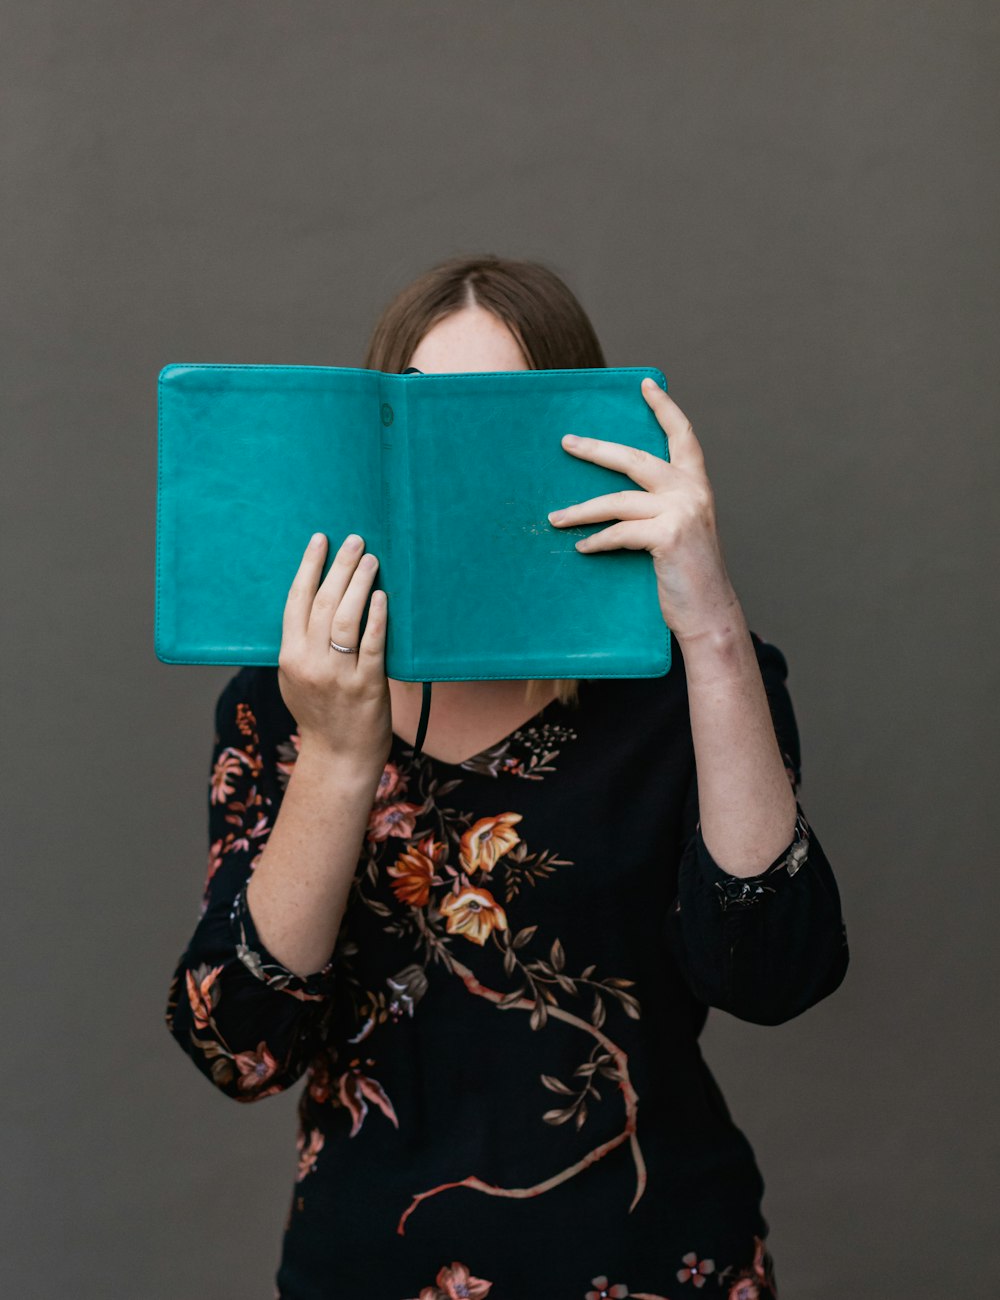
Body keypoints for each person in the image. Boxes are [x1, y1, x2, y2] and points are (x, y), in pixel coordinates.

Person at [165, 254, 849, 1299]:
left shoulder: (683, 688)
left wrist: (711, 628)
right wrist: (342, 755)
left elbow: (774, 977)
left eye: (502, 425)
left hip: (656, 1262)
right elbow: (238, 1051)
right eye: (434, 428)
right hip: (372, 1269)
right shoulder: (282, 696)